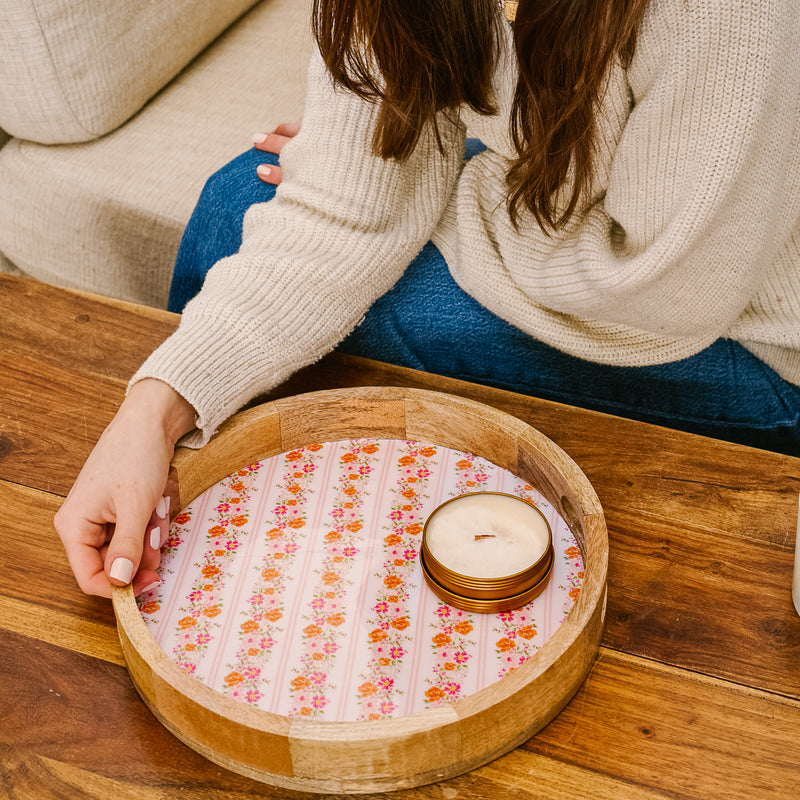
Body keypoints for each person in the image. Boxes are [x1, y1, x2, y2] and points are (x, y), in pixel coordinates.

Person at [55, 0, 800, 597]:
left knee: (245, 227)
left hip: (738, 331)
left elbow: (663, 284)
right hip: (610, 245)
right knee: (238, 197)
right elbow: (351, 194)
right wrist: (153, 408)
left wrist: (436, 189)